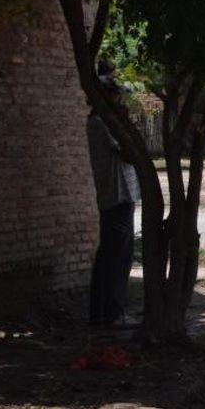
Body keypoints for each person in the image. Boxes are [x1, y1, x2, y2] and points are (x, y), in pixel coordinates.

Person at [85, 72, 138, 328]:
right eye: (115, 96)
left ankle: (107, 312)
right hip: (116, 197)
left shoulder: (104, 122)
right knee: (114, 257)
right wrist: (126, 122)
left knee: (118, 255)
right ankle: (108, 313)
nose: (119, 102)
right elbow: (129, 153)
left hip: (122, 196)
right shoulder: (100, 123)